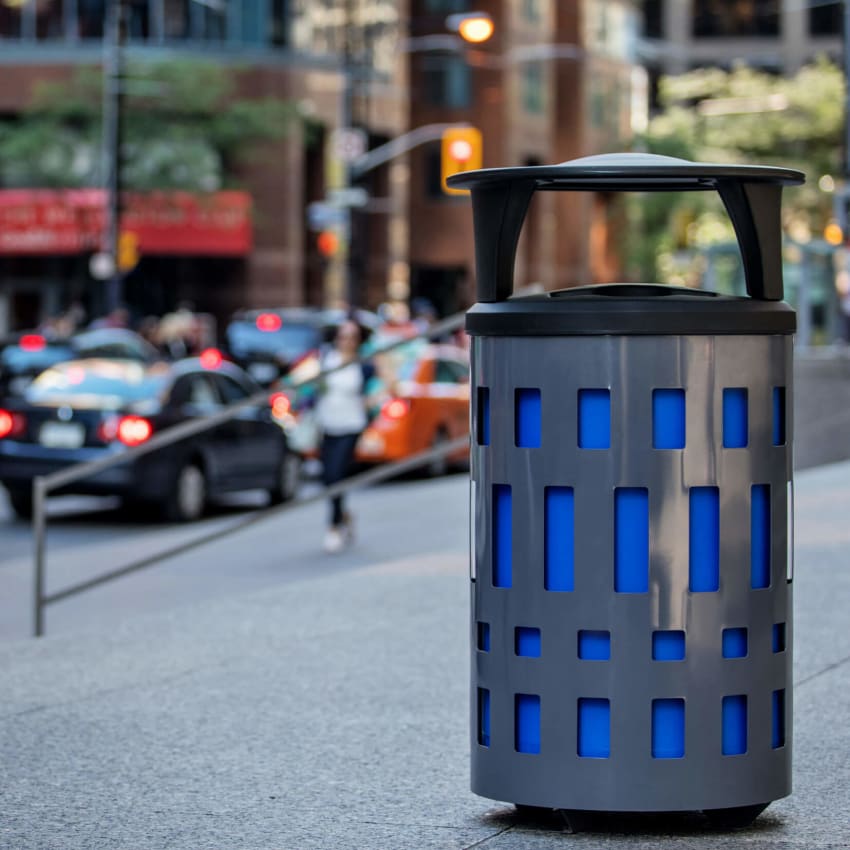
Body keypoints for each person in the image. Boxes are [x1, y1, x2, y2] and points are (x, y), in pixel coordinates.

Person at [315, 319, 374, 554]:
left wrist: (371, 400)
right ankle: (345, 515)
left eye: (352, 336)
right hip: (327, 423)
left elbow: (388, 384)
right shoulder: (325, 359)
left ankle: (333, 527)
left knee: (336, 475)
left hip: (351, 425)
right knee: (327, 477)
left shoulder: (363, 364)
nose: (346, 341)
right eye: (343, 335)